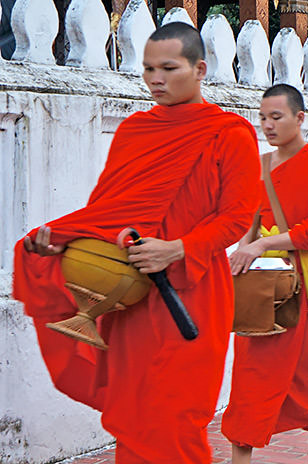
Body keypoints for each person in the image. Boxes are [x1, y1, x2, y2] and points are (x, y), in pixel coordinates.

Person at [13, 23, 262, 463]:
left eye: (168, 68)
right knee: (134, 414)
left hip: (193, 295)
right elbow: (108, 213)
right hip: (131, 299)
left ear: (199, 68)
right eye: (148, 69)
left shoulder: (230, 133)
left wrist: (178, 247)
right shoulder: (133, 131)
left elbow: (237, 217)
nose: (155, 79)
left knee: (176, 417)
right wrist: (64, 245)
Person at [221, 84, 308, 464]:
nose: (267, 125)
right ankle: (240, 454)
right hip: (260, 282)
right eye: (262, 117)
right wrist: (243, 252)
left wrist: (263, 244)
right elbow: (249, 221)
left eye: (276, 117)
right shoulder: (256, 166)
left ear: (300, 118)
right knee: (251, 373)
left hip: (305, 281)